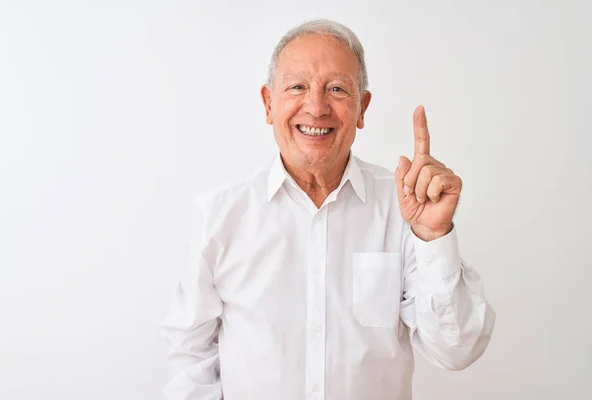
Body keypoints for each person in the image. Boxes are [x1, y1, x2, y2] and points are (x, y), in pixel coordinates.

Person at [160, 19, 496, 400]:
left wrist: (434, 237)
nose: (316, 107)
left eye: (336, 88)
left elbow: (456, 350)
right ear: (270, 103)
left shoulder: (404, 208)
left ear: (362, 108)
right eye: (297, 87)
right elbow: (190, 357)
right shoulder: (220, 214)